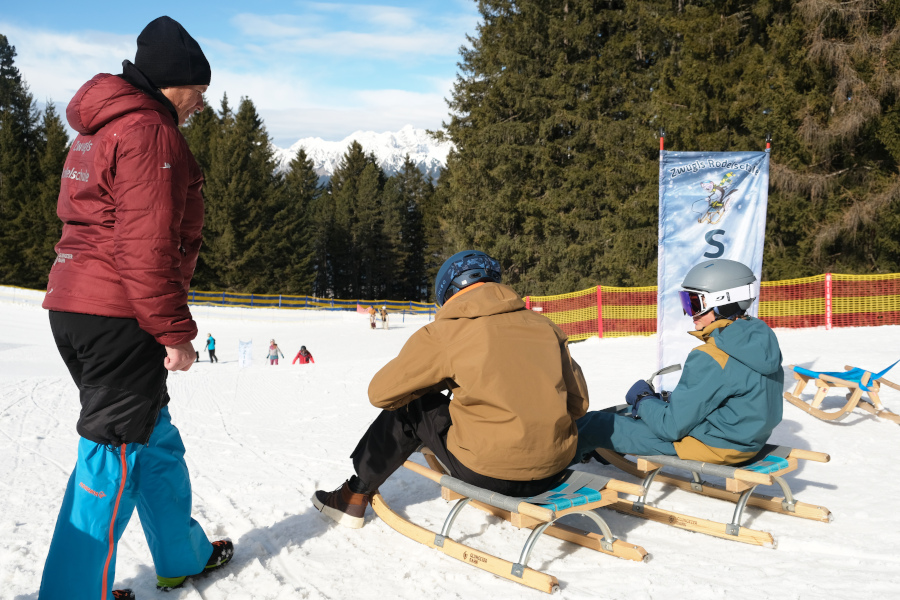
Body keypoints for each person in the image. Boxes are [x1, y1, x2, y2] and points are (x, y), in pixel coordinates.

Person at [38, 16, 233, 600]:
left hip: (79, 305)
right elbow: (146, 244)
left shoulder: (104, 127)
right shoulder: (150, 132)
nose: (203, 100)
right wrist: (174, 331)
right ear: (174, 80)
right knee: (111, 456)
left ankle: (182, 554)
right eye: (199, 87)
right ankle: (70, 593)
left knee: (154, 438)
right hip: (118, 315)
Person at [312, 250, 589, 528]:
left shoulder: (448, 332)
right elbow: (579, 403)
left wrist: (430, 384)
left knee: (413, 406)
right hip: (555, 467)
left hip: (489, 472)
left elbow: (380, 393)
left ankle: (354, 495)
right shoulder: (546, 327)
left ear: (447, 292)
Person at [575, 259, 784, 466]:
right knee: (631, 413)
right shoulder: (759, 341)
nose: (690, 313)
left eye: (695, 304)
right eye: (687, 302)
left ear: (725, 302)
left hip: (712, 445)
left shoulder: (712, 355)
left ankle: (546, 477)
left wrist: (642, 398)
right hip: (747, 441)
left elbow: (670, 427)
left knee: (594, 423)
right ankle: (609, 447)